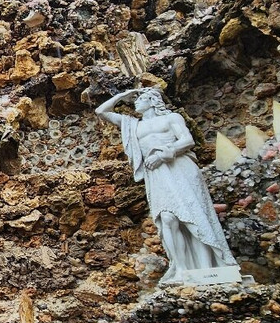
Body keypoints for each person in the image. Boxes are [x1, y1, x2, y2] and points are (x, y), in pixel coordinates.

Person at [95, 87, 236, 284]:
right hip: (157, 174)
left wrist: (163, 155)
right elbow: (101, 112)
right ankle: (181, 268)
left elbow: (187, 140)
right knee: (167, 219)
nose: (135, 103)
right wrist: (122, 96)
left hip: (178, 167)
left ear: (152, 101)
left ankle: (208, 269)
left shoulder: (171, 118)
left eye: (140, 99)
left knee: (194, 215)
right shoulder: (132, 125)